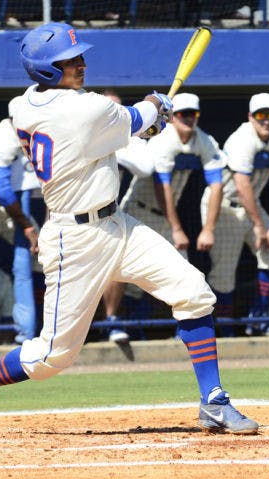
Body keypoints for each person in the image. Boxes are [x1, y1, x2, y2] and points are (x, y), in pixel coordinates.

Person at [0, 22, 257, 435]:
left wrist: (149, 116)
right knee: (52, 357)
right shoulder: (84, 109)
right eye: (67, 61)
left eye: (78, 57)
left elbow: (126, 125)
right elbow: (134, 117)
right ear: (46, 71)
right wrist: (156, 106)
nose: (80, 64)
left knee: (194, 292)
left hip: (117, 224)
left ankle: (214, 400)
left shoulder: (24, 104)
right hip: (74, 239)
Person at [104, 92, 227, 338]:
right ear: (173, 116)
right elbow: (163, 187)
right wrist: (177, 228)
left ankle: (176, 330)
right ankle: (113, 323)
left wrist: (208, 228)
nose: (188, 119)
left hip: (167, 218)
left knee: (179, 274)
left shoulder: (203, 140)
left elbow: (217, 183)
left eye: (193, 114)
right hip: (139, 211)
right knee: (123, 272)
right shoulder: (162, 139)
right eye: (182, 114)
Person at [204, 93, 269, 337]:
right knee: (224, 273)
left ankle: (257, 317)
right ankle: (224, 329)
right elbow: (242, 185)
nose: (266, 120)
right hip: (224, 206)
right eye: (260, 114)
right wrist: (259, 226)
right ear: (250, 117)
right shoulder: (242, 139)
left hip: (251, 206)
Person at [0, 96, 41, 345]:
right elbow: (4, 192)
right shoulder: (1, 139)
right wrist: (26, 225)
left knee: (39, 259)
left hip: (16, 207)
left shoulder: (36, 132)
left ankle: (32, 330)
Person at [98, 90, 155, 344]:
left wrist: (136, 134)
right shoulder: (84, 129)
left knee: (115, 268)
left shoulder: (122, 138)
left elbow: (146, 167)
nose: (114, 114)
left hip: (106, 216)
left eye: (119, 109)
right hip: (69, 220)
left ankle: (111, 322)